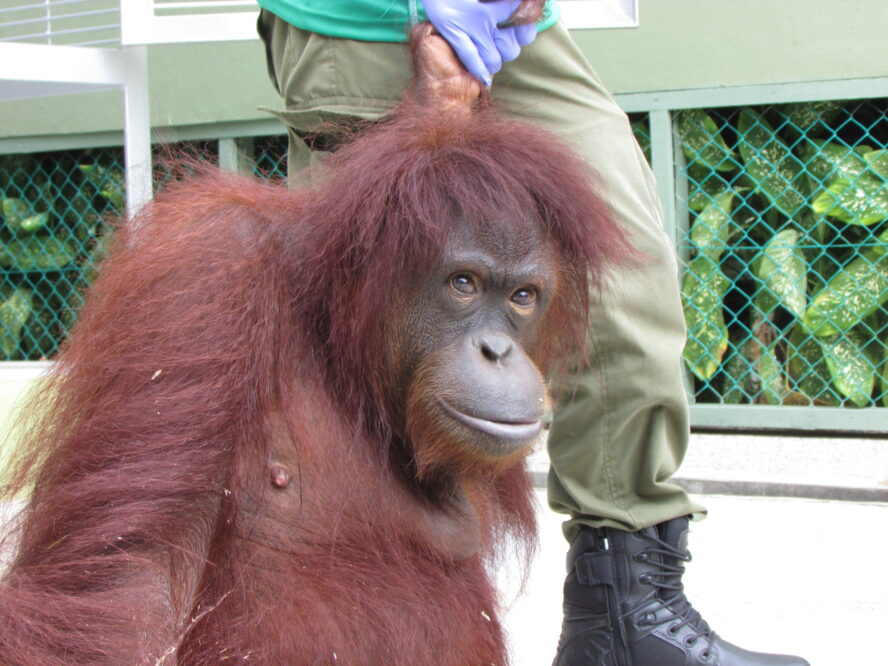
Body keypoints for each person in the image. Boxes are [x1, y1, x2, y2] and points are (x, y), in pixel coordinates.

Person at [255, 2, 809, 664]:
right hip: (363, 22)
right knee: (375, 344)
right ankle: (379, 637)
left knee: (623, 269)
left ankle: (627, 614)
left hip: (514, 27)